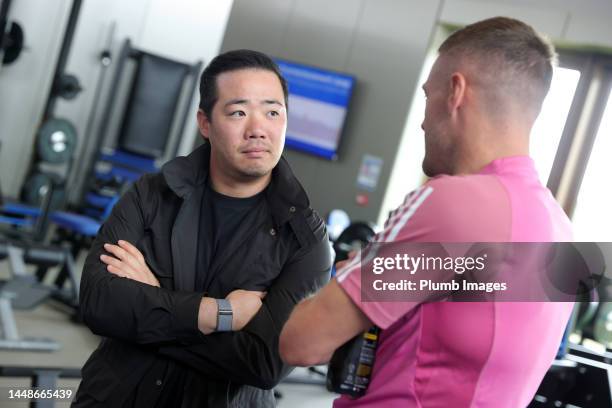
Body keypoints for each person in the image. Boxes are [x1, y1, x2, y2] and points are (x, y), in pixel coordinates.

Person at [279, 17, 573, 407]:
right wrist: (375, 277)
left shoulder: (452, 203)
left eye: (427, 95)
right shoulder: (562, 230)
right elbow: (467, 328)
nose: (421, 121)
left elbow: (302, 343)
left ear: (455, 91)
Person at [73, 49, 332, 407]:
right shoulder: (151, 194)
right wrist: (219, 314)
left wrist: (152, 300)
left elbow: (264, 362)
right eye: (239, 112)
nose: (258, 129)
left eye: (273, 112)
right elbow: (98, 301)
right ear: (205, 123)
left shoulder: (305, 239)